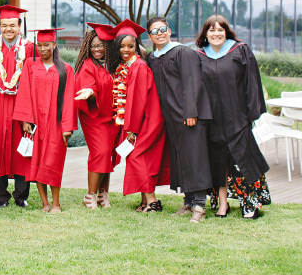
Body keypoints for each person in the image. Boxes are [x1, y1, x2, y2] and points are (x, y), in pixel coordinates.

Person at [195, 15, 270, 219]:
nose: (216, 33)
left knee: (245, 159)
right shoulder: (200, 55)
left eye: (220, 30)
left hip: (239, 116)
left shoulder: (241, 50)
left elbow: (252, 82)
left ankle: (250, 204)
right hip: (213, 119)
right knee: (218, 160)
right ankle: (222, 203)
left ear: (226, 32)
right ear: (206, 34)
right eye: (212, 30)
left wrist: (251, 113)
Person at [146, 16, 212, 223]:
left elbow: (193, 83)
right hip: (170, 119)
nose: (160, 33)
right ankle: (188, 201)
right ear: (149, 36)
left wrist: (190, 112)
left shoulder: (183, 52)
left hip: (187, 116)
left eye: (163, 29)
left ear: (169, 30)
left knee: (195, 158)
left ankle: (200, 205)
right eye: (155, 31)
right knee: (180, 159)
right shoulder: (153, 57)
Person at [108, 20, 169, 214]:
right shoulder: (129, 66)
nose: (126, 50)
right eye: (122, 46)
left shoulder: (139, 67)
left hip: (147, 121)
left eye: (130, 46)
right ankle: (145, 201)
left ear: (137, 47)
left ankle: (152, 202)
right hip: (142, 120)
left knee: (138, 157)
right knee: (140, 158)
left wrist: (131, 129)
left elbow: (137, 101)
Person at [13, 29, 77, 213]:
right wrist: (25, 120)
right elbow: (24, 91)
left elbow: (69, 98)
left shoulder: (65, 69)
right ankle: (45, 203)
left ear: (54, 45)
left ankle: (56, 203)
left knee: (53, 162)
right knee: (38, 162)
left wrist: (67, 126)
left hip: (56, 125)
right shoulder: (30, 66)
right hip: (36, 125)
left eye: (46, 45)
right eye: (39, 45)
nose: (42, 49)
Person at [0, 4, 34, 208]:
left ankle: (21, 196)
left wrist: (28, 116)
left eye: (12, 25)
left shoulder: (29, 49)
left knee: (22, 152)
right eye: (4, 25)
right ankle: (0, 196)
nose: (8, 29)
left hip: (21, 108)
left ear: (19, 26)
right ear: (0, 26)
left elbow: (34, 84)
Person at [74, 22, 119, 209]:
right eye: (93, 46)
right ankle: (90, 195)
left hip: (111, 117)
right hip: (95, 117)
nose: (96, 49)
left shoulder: (111, 65)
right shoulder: (87, 65)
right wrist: (90, 93)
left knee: (108, 153)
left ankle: (103, 194)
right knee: (100, 152)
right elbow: (89, 86)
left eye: (100, 45)